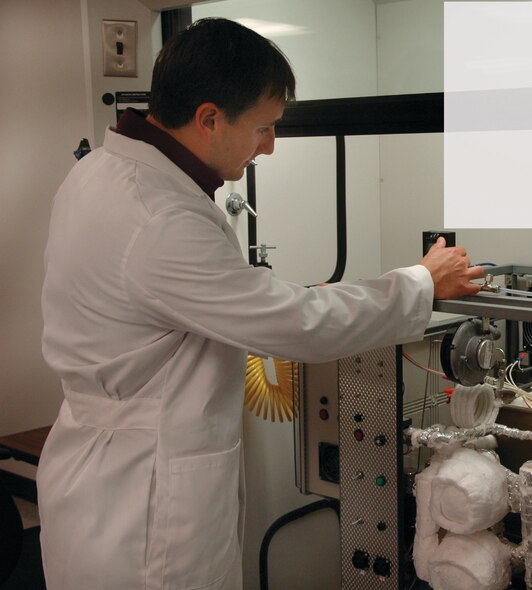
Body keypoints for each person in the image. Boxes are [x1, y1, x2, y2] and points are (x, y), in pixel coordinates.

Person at [38, 17, 482, 590]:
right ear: (209, 119)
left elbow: (195, 303)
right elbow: (298, 327)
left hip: (95, 480)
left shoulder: (99, 174)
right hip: (144, 507)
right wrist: (421, 281)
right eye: (264, 128)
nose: (269, 146)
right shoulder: (162, 219)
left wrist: (292, 298)